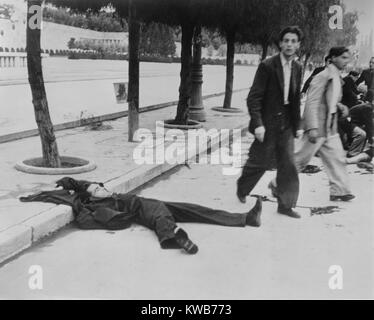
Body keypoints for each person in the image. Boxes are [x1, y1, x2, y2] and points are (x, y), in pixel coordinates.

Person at [20, 177, 263, 255]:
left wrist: (64, 181)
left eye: (100, 185)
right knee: (159, 212)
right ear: (91, 194)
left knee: (193, 209)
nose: (101, 187)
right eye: (96, 188)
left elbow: (76, 182)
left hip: (142, 205)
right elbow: (79, 207)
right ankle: (172, 235)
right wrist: (45, 194)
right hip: (137, 207)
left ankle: (244, 219)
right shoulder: (90, 202)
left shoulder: (95, 192)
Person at [269, 47, 355, 202]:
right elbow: (312, 101)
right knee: (300, 159)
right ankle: (277, 184)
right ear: (333, 58)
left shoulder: (336, 77)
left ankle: (339, 191)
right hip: (318, 127)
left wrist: (340, 106)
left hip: (330, 128)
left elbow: (332, 100)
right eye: (343, 57)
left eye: (347, 58)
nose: (346, 61)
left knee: (337, 159)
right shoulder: (322, 76)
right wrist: (312, 127)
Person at [236, 26, 304, 218]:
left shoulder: (298, 68)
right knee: (260, 162)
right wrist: (257, 123)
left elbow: (296, 100)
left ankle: (285, 205)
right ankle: (242, 187)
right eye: (286, 41)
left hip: (287, 125)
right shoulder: (267, 66)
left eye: (293, 41)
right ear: (280, 43)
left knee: (288, 165)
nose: (289, 44)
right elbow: (254, 97)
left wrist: (297, 126)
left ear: (298, 45)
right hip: (267, 124)